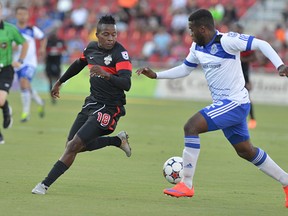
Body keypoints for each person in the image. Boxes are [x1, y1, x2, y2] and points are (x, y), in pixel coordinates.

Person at [136, 9, 288, 208]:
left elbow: (262, 43)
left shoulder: (226, 41)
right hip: (226, 105)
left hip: (235, 103)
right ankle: (286, 182)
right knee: (245, 151)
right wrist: (157, 75)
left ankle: (186, 184)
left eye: (191, 30)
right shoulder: (197, 47)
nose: (189, 34)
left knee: (191, 127)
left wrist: (280, 65)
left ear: (202, 28)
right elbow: (185, 68)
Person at [32, 15, 132, 195]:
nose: (111, 38)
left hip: (110, 108)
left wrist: (106, 74)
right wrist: (60, 82)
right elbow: (79, 63)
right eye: (106, 34)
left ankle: (44, 185)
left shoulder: (120, 54)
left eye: (114, 34)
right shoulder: (92, 48)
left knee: (73, 146)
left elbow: (127, 84)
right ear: (97, 35)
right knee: (72, 145)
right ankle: (117, 140)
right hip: (92, 102)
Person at [0, 2, 28, 144]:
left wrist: (21, 60)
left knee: (0, 100)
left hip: (5, 69)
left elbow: (24, 43)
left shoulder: (10, 29)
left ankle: (5, 109)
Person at [13, 6, 46, 122]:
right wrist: (13, 47)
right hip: (17, 62)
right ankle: (40, 101)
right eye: (20, 14)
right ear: (16, 15)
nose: (22, 16)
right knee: (26, 86)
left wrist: (42, 48)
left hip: (30, 62)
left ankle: (25, 113)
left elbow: (43, 37)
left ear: (27, 16)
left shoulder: (32, 29)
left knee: (23, 83)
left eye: (24, 14)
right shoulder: (13, 30)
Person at [233, 23, 257, 129]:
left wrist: (243, 60)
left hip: (244, 75)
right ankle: (236, 120)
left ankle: (252, 119)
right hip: (233, 75)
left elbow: (255, 58)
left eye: (238, 31)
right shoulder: (230, 43)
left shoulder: (245, 44)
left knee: (246, 98)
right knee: (233, 98)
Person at [44, 30, 66, 104]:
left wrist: (60, 51)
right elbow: (45, 50)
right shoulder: (48, 42)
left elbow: (64, 49)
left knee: (58, 79)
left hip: (57, 62)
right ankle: (52, 95)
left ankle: (55, 93)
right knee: (50, 80)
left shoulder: (60, 41)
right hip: (49, 62)